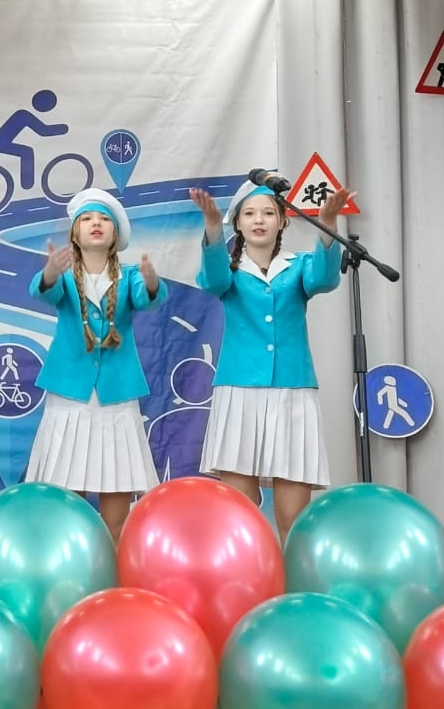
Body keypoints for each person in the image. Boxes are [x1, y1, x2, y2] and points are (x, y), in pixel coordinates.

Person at [190, 178, 354, 544]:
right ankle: (248, 576)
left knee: (293, 519)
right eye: (249, 214)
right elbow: (212, 280)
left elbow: (325, 278)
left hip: (292, 390)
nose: (259, 220)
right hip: (239, 392)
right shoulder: (229, 271)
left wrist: (328, 224)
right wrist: (212, 229)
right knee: (241, 515)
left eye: (267, 213)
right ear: (238, 224)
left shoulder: (299, 265)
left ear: (282, 220)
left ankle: (291, 578)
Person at [25, 188, 166, 544]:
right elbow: (42, 292)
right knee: (66, 499)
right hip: (70, 394)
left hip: (116, 396)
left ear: (116, 234)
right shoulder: (64, 276)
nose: (96, 224)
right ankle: (72, 567)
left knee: (116, 494)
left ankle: (114, 566)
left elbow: (147, 299)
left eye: (104, 219)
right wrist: (49, 273)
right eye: (87, 218)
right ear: (74, 233)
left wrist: (152, 283)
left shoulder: (130, 275)